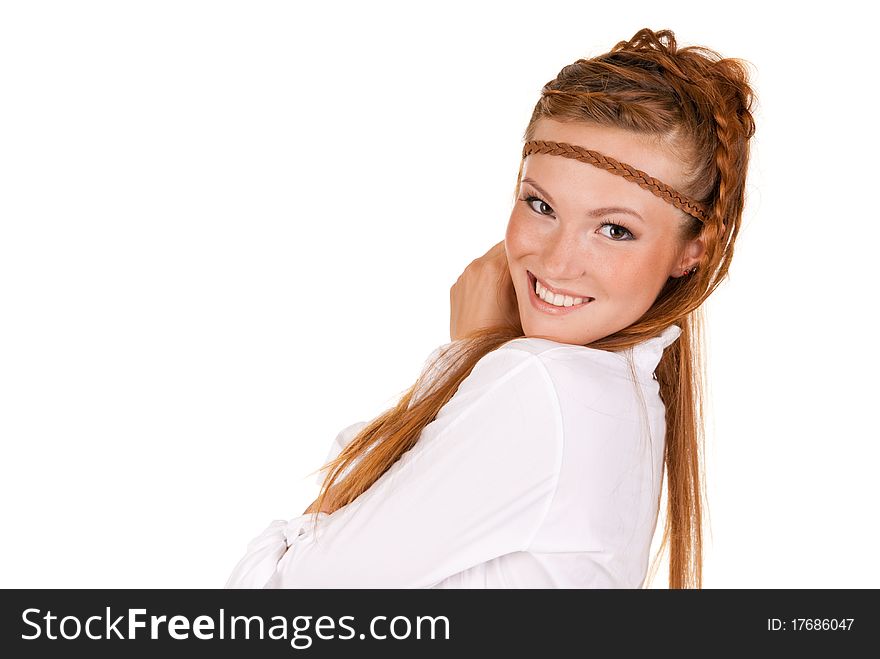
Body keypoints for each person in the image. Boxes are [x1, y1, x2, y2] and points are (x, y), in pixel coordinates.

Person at [224, 27, 756, 589]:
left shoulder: (543, 384)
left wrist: (464, 361)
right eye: (540, 204)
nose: (556, 260)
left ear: (692, 251)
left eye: (614, 229)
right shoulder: (623, 394)